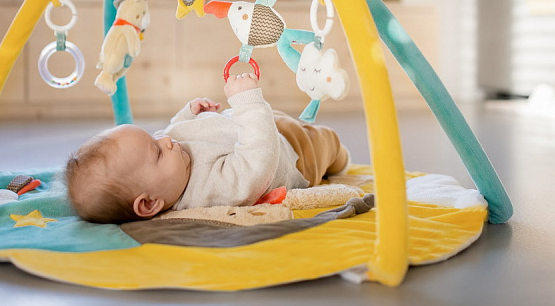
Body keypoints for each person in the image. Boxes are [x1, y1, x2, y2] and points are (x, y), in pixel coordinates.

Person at [65, 73, 350, 224]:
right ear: (150, 203)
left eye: (153, 137)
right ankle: (340, 159)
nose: (165, 140)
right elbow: (257, 160)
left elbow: (171, 130)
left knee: (278, 118)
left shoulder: (168, 164)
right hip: (295, 152)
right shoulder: (209, 191)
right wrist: (248, 103)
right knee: (326, 140)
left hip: (250, 123)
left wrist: (189, 114)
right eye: (157, 152)